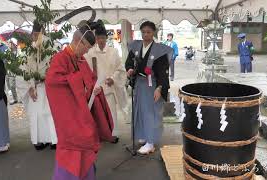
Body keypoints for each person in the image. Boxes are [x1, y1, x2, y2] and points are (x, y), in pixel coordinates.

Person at [46, 20, 114, 180]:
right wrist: (80, 85)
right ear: (78, 41)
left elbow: (90, 80)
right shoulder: (60, 58)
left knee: (86, 142)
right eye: (85, 48)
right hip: (69, 116)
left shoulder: (81, 60)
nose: (85, 52)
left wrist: (94, 89)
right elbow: (52, 82)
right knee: (72, 146)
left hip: (82, 112)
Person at [125, 21, 172, 155]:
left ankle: (150, 143)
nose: (146, 35)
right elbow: (129, 61)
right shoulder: (136, 46)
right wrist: (129, 69)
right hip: (139, 84)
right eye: (143, 32)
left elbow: (163, 71)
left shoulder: (159, 50)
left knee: (151, 112)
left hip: (152, 85)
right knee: (139, 110)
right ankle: (144, 135)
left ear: (153, 33)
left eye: (149, 32)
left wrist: (159, 88)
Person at [85, 24, 128, 143]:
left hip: (109, 88)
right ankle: (100, 134)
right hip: (97, 88)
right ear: (95, 38)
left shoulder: (113, 52)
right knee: (98, 113)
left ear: (106, 38)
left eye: (103, 38)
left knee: (111, 112)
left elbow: (120, 69)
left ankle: (113, 134)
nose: (101, 41)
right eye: (98, 38)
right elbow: (86, 70)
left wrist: (113, 78)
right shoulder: (90, 53)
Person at [22, 21, 57, 150]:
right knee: (36, 114)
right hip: (35, 87)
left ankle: (54, 140)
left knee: (50, 113)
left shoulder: (51, 49)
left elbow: (56, 67)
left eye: (39, 34)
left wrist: (49, 77)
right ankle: (40, 140)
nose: (36, 37)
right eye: (34, 34)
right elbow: (24, 71)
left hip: (49, 87)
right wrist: (30, 87)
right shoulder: (28, 51)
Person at [6, 38, 19, 105]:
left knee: (13, 85)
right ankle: (15, 98)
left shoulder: (17, 51)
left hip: (14, 71)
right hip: (7, 71)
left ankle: (17, 99)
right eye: (8, 43)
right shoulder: (7, 51)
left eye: (10, 43)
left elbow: (18, 61)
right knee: (9, 86)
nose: (8, 44)